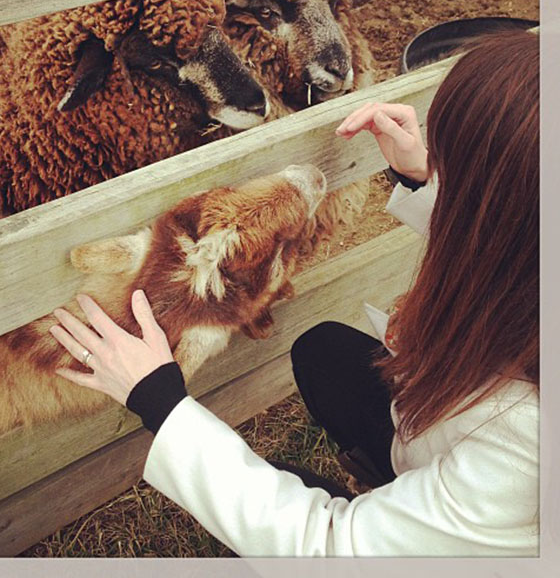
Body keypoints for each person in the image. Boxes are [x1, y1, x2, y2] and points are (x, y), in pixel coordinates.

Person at [48, 30, 539, 556]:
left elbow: (329, 550)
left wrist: (160, 401)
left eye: (455, 167)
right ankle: (406, 488)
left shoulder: (522, 450)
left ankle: (415, 515)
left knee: (269, 499)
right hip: (439, 441)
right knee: (324, 353)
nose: (440, 163)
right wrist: (424, 178)